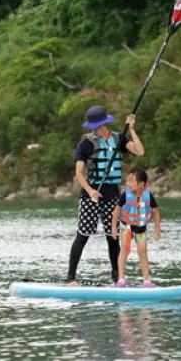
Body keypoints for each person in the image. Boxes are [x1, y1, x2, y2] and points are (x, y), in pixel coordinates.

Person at [67, 105, 145, 286]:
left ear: (106, 123)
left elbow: (139, 151)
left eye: (100, 125)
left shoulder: (119, 139)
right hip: (91, 196)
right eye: (94, 126)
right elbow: (79, 173)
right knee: (83, 235)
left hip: (112, 195)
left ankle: (117, 277)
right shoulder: (85, 144)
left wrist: (132, 130)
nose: (97, 129)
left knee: (113, 236)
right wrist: (90, 190)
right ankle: (71, 277)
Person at [111, 168, 161, 288]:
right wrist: (114, 227)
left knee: (142, 252)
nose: (128, 184)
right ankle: (121, 280)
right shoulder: (125, 195)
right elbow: (117, 211)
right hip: (126, 225)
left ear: (141, 184)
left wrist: (157, 230)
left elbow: (156, 213)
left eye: (132, 181)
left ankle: (146, 281)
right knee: (124, 249)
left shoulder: (148, 196)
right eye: (128, 181)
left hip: (141, 227)